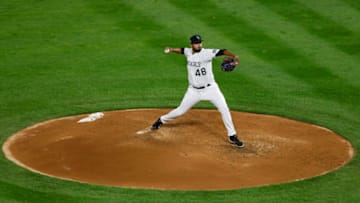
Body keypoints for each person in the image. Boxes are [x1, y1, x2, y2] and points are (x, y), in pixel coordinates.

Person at [151, 34, 244, 148]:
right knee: (180, 111)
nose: (199, 45)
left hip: (211, 89)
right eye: (196, 43)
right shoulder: (188, 52)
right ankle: (161, 120)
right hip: (193, 91)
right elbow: (181, 50)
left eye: (200, 42)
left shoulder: (207, 53)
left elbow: (223, 51)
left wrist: (234, 56)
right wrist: (171, 49)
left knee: (224, 109)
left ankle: (232, 135)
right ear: (191, 44)